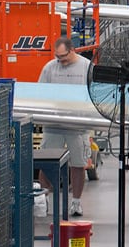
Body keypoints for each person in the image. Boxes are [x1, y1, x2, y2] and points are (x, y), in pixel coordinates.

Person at [38, 37, 92, 217]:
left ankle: (76, 203)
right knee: (46, 164)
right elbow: (40, 93)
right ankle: (43, 200)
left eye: (63, 57)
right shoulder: (49, 68)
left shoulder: (86, 67)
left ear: (72, 50)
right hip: (53, 126)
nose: (60, 61)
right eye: (57, 57)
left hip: (78, 126)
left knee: (78, 165)